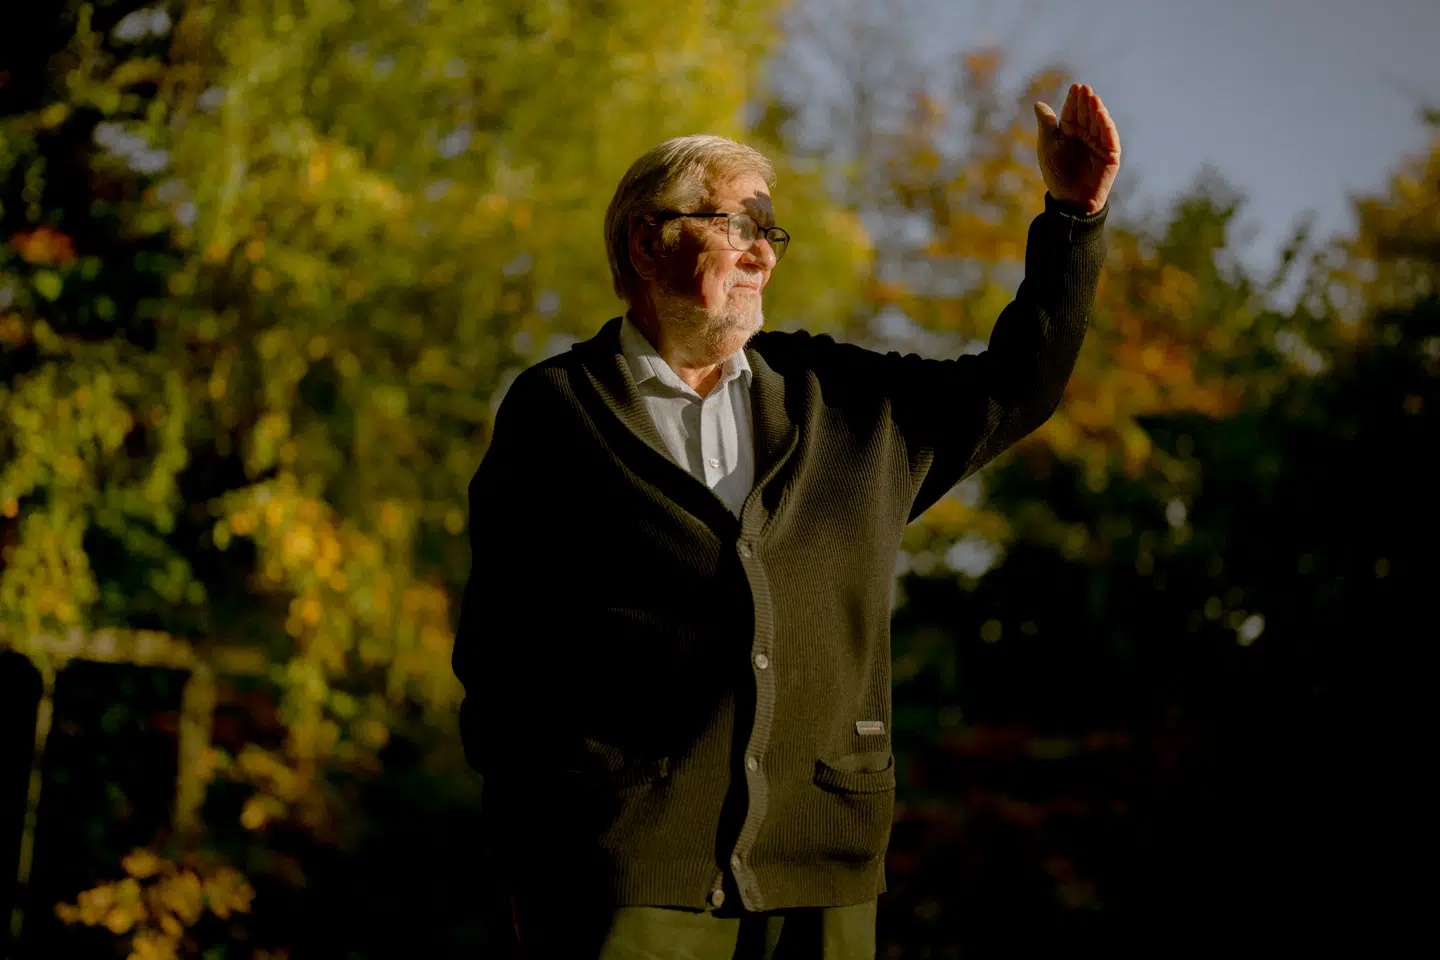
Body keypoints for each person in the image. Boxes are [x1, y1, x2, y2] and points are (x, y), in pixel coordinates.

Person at [452, 82, 1122, 959]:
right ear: (647, 242)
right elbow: (501, 659)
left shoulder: (845, 402)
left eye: (771, 232)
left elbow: (1017, 385)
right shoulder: (560, 411)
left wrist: (1073, 217)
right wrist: (542, 851)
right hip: (625, 875)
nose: (763, 253)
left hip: (823, 875)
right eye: (737, 224)